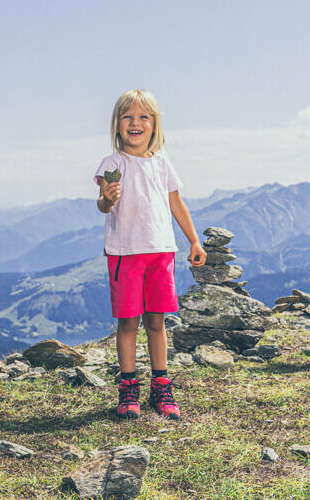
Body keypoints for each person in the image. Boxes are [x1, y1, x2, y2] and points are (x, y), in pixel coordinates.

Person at [95, 89, 205, 419]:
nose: (135, 123)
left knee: (157, 322)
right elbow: (102, 203)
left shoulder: (162, 164)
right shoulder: (112, 164)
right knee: (128, 323)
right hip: (125, 253)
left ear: (155, 125)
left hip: (161, 251)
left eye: (144, 117)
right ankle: (128, 387)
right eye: (127, 117)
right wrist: (108, 200)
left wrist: (194, 241)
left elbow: (176, 203)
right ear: (117, 125)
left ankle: (161, 385)